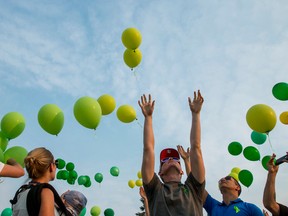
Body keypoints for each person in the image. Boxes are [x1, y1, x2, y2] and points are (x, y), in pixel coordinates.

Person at [138, 90, 205, 216]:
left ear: (182, 171)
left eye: (176, 159)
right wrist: (148, 118)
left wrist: (196, 114)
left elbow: (196, 148)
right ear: (160, 173)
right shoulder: (155, 189)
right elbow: (148, 149)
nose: (171, 159)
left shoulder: (194, 188)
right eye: (165, 160)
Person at [11, 147, 70, 216]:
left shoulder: (21, 193)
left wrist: (57, 204)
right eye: (56, 163)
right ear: (51, 166)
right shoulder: (46, 192)